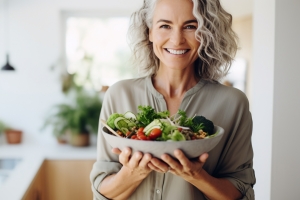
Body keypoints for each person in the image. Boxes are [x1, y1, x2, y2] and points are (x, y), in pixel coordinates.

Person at [90, 0, 256, 199]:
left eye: (190, 26)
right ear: (150, 31)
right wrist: (133, 173)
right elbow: (101, 190)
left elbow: (241, 191)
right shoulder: (119, 94)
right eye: (165, 26)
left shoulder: (233, 103)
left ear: (206, 33)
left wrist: (196, 175)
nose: (177, 40)